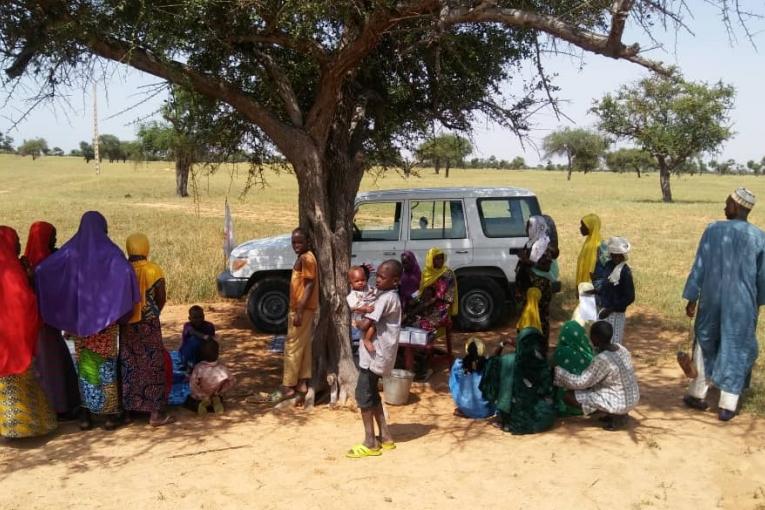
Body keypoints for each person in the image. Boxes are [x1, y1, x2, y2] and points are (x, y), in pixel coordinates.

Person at [35, 211, 140, 431]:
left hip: (82, 324)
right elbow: (126, 273)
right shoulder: (112, 253)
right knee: (106, 369)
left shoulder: (71, 251)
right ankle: (110, 415)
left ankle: (86, 416)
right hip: (106, 323)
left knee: (85, 368)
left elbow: (44, 270)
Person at [683, 188, 765, 421]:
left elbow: (699, 265)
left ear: (738, 207)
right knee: (736, 345)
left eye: (727, 203)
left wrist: (692, 297)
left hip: (711, 298)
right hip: (742, 302)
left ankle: (697, 393)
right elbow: (763, 278)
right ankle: (728, 405)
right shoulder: (759, 237)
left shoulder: (712, 230)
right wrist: (756, 304)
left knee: (704, 340)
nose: (724, 206)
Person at [0, 226, 57, 439]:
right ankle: (26, 427)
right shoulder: (13, 271)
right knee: (21, 381)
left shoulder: (11, 266)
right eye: (16, 242)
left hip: (4, 340)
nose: (19, 246)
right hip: (15, 337)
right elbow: (24, 302)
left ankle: (8, 429)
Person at [24, 221, 81, 418]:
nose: (55, 241)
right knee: (51, 365)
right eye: (52, 238)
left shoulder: (25, 263)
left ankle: (55, 405)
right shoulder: (48, 262)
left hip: (36, 322)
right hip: (45, 323)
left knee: (49, 363)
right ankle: (58, 406)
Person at [346, 259, 402, 458]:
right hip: (377, 355)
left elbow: (364, 324)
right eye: (376, 276)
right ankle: (385, 437)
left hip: (374, 357)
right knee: (373, 396)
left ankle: (370, 442)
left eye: (382, 277)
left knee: (364, 396)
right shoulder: (386, 295)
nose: (377, 280)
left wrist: (358, 320)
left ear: (395, 281)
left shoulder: (387, 299)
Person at [480, 288, 555, 435]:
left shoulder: (507, 361)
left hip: (515, 419)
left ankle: (504, 415)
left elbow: (490, 366)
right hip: (542, 418)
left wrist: (501, 345)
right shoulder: (543, 364)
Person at [120, 233, 174, 427]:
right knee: (153, 366)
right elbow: (161, 297)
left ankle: (128, 412)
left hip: (126, 324)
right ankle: (155, 414)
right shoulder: (154, 270)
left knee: (129, 365)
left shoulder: (122, 269)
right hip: (148, 323)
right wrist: (153, 312)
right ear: (145, 247)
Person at [554, 321, 640, 431]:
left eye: (591, 335)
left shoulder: (603, 359)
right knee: (600, 389)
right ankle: (617, 414)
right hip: (633, 398)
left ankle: (617, 415)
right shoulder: (622, 349)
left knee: (569, 396)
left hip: (619, 402)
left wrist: (558, 373)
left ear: (596, 338)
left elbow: (581, 382)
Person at [268, 227, 319, 404]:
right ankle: (302, 382)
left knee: (292, 346)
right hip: (304, 309)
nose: (296, 245)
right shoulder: (306, 257)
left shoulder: (307, 258)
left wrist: (299, 310)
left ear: (308, 242)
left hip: (302, 309)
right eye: (293, 242)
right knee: (303, 345)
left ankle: (288, 385)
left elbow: (309, 285)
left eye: (300, 242)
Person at [404, 247, 457, 354]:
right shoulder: (426, 272)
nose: (440, 261)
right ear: (430, 260)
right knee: (406, 322)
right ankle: (414, 353)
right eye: (437, 259)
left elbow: (442, 297)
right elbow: (422, 292)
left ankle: (424, 354)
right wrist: (415, 302)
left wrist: (418, 308)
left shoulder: (447, 274)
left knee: (421, 324)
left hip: (441, 308)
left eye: (441, 258)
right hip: (426, 306)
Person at [516, 216, 554, 349]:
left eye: (529, 226)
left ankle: (540, 349)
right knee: (527, 317)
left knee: (540, 317)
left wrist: (527, 261)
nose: (526, 229)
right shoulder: (530, 243)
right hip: (527, 286)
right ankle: (527, 346)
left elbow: (546, 266)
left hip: (539, 288)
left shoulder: (544, 244)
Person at [552, 299, 595, 417]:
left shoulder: (561, 352)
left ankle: (565, 406)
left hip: (567, 398)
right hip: (588, 398)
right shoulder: (589, 353)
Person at [598, 237, 635, 345]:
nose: (617, 258)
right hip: (604, 310)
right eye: (615, 255)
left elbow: (630, 297)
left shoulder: (625, 271)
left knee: (614, 342)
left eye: (620, 255)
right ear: (611, 254)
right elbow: (606, 285)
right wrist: (595, 291)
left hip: (616, 313)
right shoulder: (609, 265)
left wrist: (611, 309)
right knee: (601, 341)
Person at [449, 338, 494, 419]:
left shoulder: (458, 364)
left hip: (466, 408)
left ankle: (466, 407)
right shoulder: (489, 365)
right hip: (486, 410)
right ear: (482, 349)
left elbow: (453, 384)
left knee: (455, 383)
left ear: (467, 350)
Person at [190, 339, 235, 415]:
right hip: (215, 394)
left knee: (189, 401)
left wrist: (201, 395)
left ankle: (202, 405)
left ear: (201, 355)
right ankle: (216, 402)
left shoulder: (199, 368)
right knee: (218, 399)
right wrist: (220, 391)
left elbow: (193, 384)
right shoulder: (222, 368)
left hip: (201, 396)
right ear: (217, 354)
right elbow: (232, 381)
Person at [576, 213, 609, 288]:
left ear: (591, 227)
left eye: (583, 226)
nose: (580, 228)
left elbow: (606, 266)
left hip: (596, 283)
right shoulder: (588, 242)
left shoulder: (600, 245)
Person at [346, 265, 375, 350]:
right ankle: (365, 340)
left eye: (363, 280)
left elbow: (374, 292)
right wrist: (365, 308)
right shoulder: (352, 295)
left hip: (367, 316)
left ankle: (367, 339)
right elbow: (354, 306)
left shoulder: (367, 289)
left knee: (374, 325)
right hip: (358, 319)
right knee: (365, 328)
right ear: (351, 283)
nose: (360, 282)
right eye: (357, 281)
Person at [180, 305, 216, 370]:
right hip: (187, 354)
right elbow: (192, 332)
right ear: (189, 318)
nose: (198, 319)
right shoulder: (187, 325)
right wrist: (204, 336)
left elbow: (212, 341)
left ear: (204, 316)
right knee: (194, 340)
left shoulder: (209, 326)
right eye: (195, 317)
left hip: (202, 355)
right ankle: (190, 366)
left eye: (200, 317)